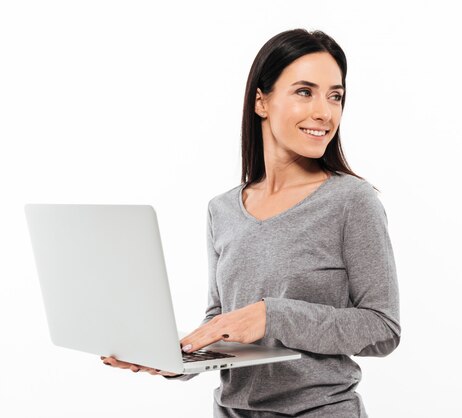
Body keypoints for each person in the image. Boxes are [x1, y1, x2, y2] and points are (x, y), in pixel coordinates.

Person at [102, 28, 401, 417]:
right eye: (304, 91)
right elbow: (222, 320)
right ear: (262, 101)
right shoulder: (222, 209)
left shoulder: (351, 201)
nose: (325, 112)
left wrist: (272, 316)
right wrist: (178, 358)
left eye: (335, 96)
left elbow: (383, 329)